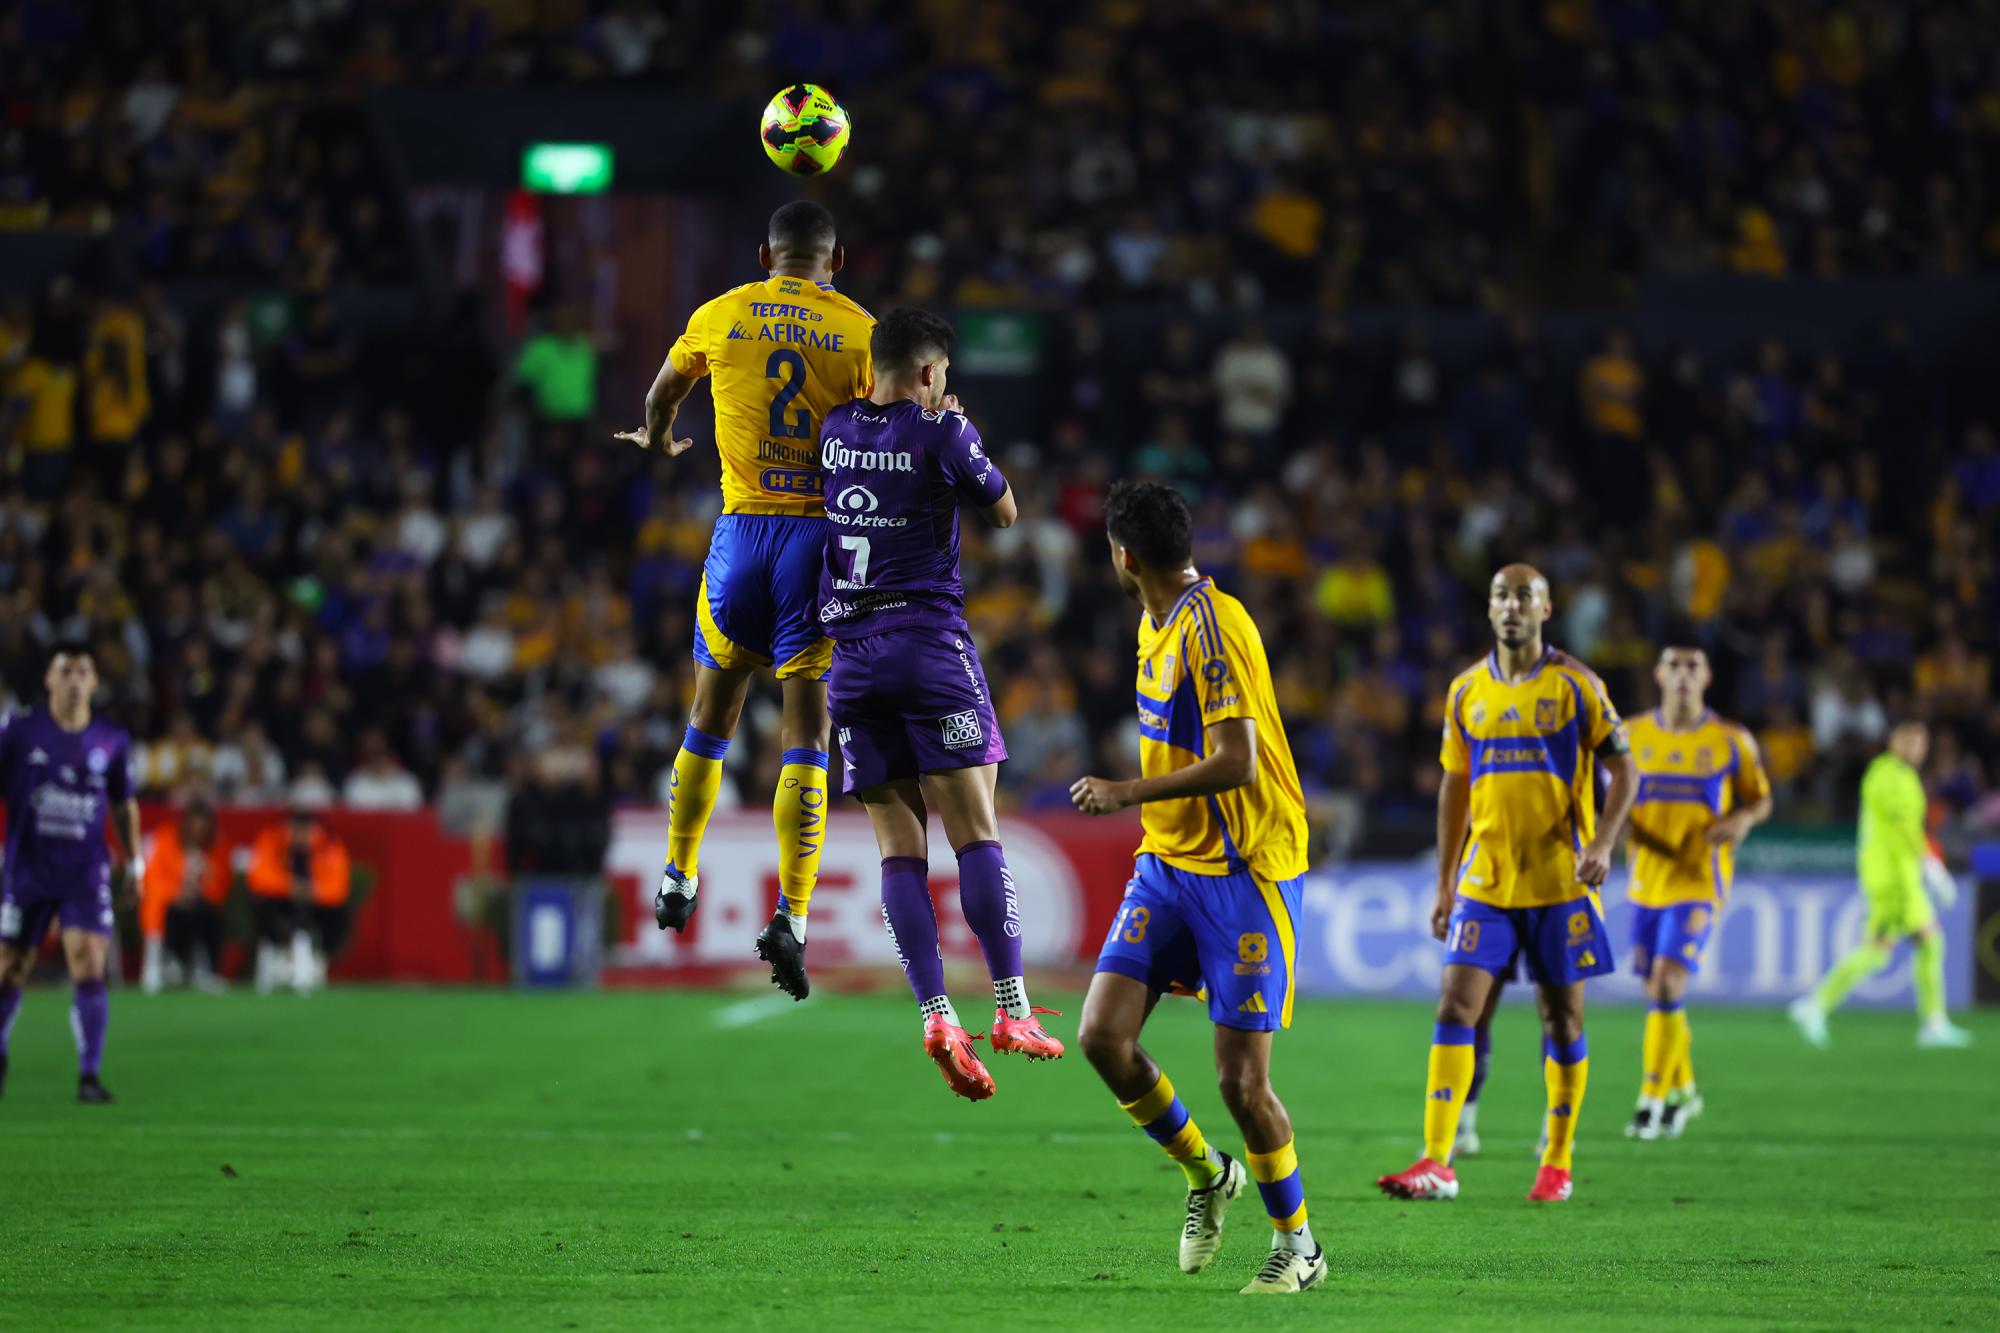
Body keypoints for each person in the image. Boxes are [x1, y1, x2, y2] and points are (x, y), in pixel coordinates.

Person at [1070, 480, 1324, 1296]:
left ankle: (1300, 1245)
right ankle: (1207, 1174)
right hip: (1167, 866)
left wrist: (1123, 791)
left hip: (1242, 869)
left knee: (1241, 1083)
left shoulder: (1211, 631)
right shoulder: (1157, 618)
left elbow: (1239, 759)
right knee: (1103, 1037)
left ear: (1124, 556)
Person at [616, 200, 874, 999]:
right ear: (837, 260)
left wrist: (659, 440)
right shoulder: (861, 332)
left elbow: (662, 397)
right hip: (815, 542)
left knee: (711, 714)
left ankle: (677, 872)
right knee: (807, 729)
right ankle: (791, 914)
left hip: (740, 536)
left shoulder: (719, 312)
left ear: (766, 252)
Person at [817, 307, 1061, 1092]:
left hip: (850, 661)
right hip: (927, 650)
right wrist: (958, 428)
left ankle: (934, 1011)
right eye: (944, 375)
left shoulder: (834, 429)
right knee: (977, 835)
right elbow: (1004, 512)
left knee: (898, 849)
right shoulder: (943, 432)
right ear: (929, 373)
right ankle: (1011, 1005)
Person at [1377, 564, 1638, 1205]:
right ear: (1489, 610)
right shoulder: (1466, 691)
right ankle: (1437, 1159)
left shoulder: (1578, 685)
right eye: (1501, 596)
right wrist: (1444, 883)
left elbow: (1626, 771)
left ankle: (1556, 1162)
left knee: (1562, 1018)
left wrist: (1602, 843)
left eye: (1525, 596)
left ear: (1547, 609)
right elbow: (1453, 789)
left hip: (1559, 880)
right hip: (1486, 881)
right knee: (1454, 1007)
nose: (1512, 606)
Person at [1620, 645, 1773, 1139]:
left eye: (1693, 666)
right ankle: (1686, 1091)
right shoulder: (1631, 735)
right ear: (1658, 674)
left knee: (1666, 983)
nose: (1683, 674)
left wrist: (1742, 819)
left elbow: (1761, 797)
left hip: (1699, 880)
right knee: (1659, 994)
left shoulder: (1730, 740)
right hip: (1645, 880)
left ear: (1706, 677)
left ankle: (1651, 1100)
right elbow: (1607, 797)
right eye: (1674, 665)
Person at [0, 642, 141, 1102]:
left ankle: (89, 1075)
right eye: (66, 671)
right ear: (49, 680)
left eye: (84, 671)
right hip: (27, 868)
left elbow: (124, 803)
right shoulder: (20, 732)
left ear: (95, 682)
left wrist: (135, 861)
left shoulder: (111, 739)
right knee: (10, 968)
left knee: (90, 962)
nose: (75, 680)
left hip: (85, 870)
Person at [1788, 722, 1973, 1050]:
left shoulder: (1902, 775)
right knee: (1889, 949)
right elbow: (1904, 828)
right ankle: (1816, 1005)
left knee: (1916, 944)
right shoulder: (1887, 775)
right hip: (1893, 879)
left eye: (1921, 743)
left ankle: (1931, 1022)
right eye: (1910, 741)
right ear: (1894, 742)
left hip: (1898, 876)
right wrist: (1931, 865)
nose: (1917, 748)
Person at [246, 809, 352, 995]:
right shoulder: (272, 840)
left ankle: (317, 959)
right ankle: (275, 955)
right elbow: (259, 877)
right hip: (281, 900)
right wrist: (289, 886)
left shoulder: (330, 845)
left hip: (316, 904)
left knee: (338, 912)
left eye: (306, 830)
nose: (301, 836)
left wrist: (314, 890)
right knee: (262, 904)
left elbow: (338, 885)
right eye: (296, 830)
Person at [139, 798, 232, 994]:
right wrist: (177, 892)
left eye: (203, 826)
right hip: (168, 902)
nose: (198, 830)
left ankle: (206, 970)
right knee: (164, 912)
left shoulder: (218, 845)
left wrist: (203, 885)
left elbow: (222, 883)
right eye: (194, 824)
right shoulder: (165, 838)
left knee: (208, 915)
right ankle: (155, 966)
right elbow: (153, 876)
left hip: (201, 904)